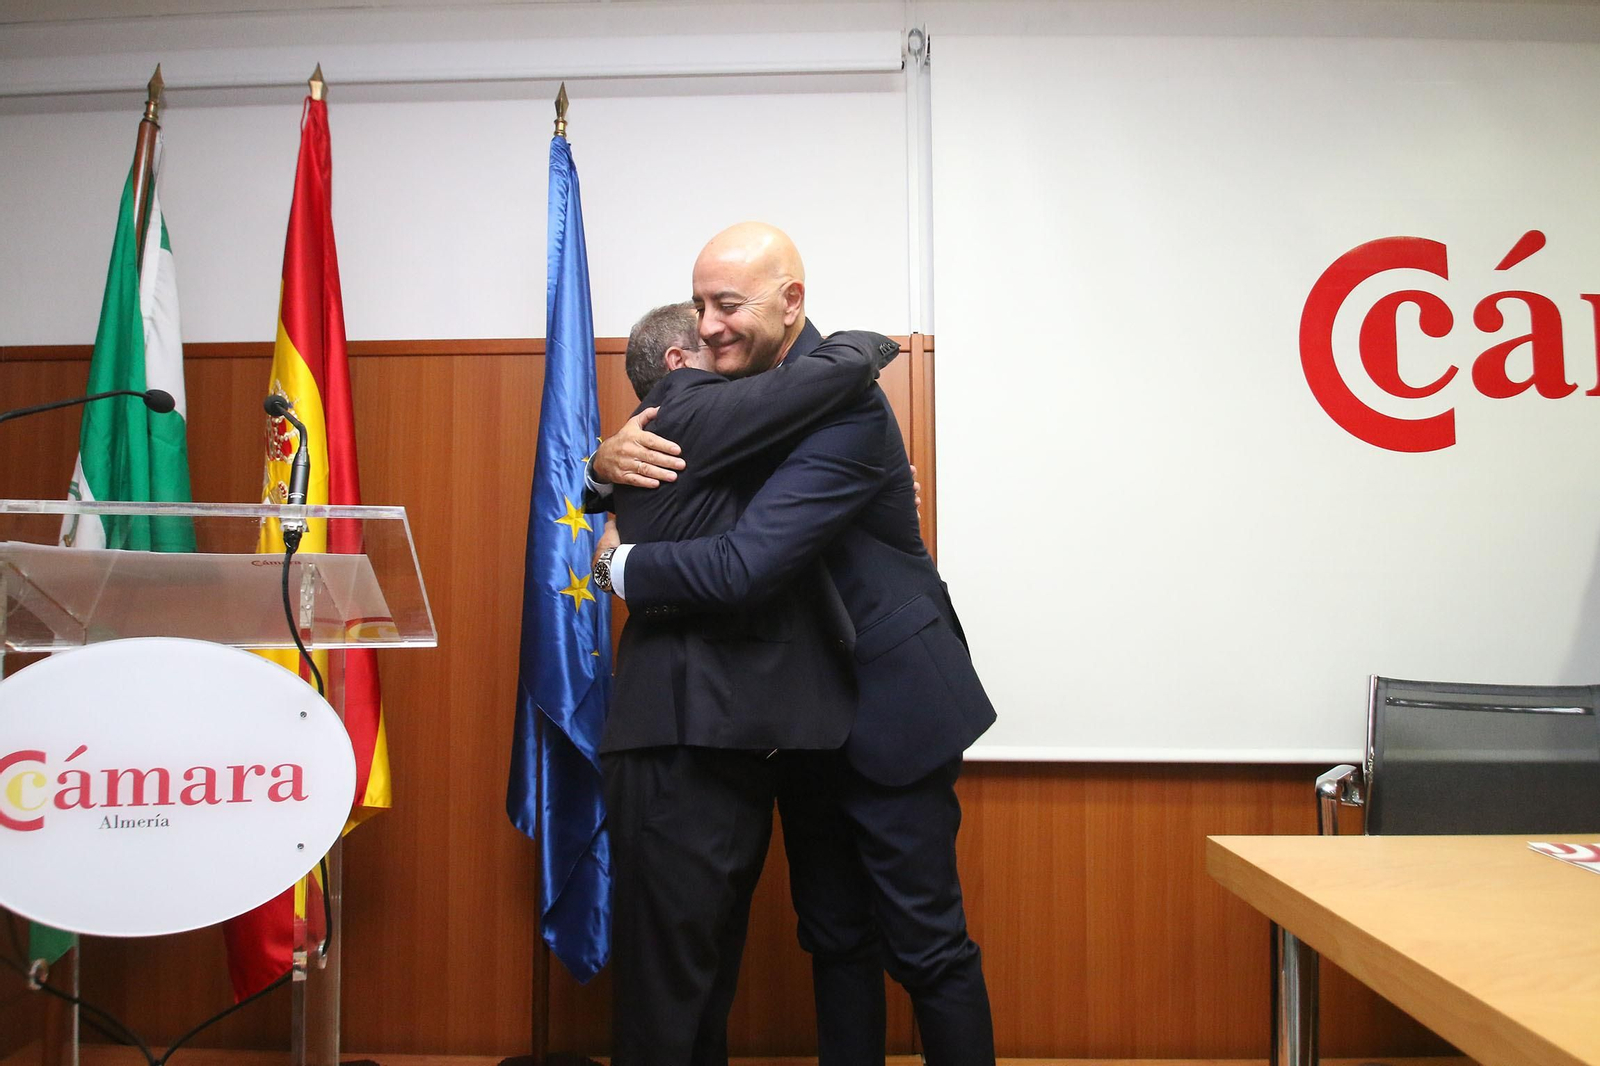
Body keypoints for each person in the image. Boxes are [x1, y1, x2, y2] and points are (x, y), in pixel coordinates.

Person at [590, 222, 997, 1065]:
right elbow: (667, 470)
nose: (708, 326)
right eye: (699, 305)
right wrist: (600, 469)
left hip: (891, 702)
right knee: (834, 935)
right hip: (803, 717)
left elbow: (747, 562)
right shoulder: (731, 393)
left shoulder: (845, 404)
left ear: (791, 302)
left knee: (927, 946)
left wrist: (620, 567)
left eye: (727, 305)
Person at [591, 296, 901, 1066]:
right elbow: (814, 383)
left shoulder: (685, 436)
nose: (725, 342)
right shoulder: (687, 409)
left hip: (715, 738)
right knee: (669, 992)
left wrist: (599, 483)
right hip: (676, 739)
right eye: (709, 334)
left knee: (698, 981)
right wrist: (867, 343)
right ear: (678, 364)